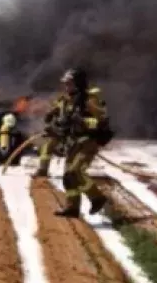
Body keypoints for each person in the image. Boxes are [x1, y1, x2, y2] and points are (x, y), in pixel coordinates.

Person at [48, 67, 112, 217]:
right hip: (72, 143)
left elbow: (101, 122)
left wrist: (83, 121)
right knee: (68, 177)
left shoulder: (90, 100)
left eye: (69, 83)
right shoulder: (68, 100)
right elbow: (64, 122)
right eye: (66, 83)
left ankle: (97, 197)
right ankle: (72, 208)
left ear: (78, 83)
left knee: (75, 172)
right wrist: (54, 128)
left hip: (87, 142)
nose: (66, 86)